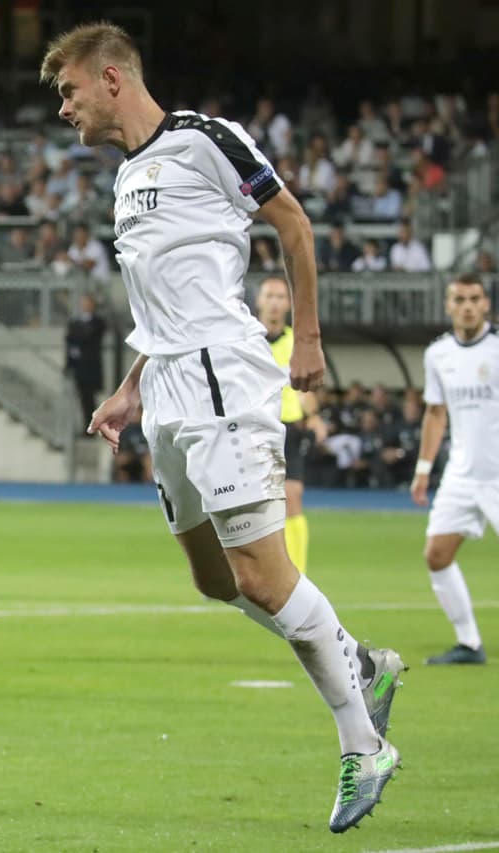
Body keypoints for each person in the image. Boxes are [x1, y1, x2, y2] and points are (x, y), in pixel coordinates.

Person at [42, 22, 402, 832]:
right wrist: (131, 385)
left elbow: (295, 227)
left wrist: (307, 336)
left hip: (223, 377)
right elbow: (164, 299)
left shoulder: (206, 139)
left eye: (67, 91)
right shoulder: (127, 176)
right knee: (214, 580)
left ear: (110, 79)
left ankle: (363, 741)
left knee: (266, 577)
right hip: (167, 384)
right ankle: (363, 662)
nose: (63, 109)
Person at [411, 272, 495, 665]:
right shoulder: (437, 355)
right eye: (459, 299)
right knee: (437, 554)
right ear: (448, 305)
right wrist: (424, 468)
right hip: (462, 475)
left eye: (473, 299)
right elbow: (435, 413)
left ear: (486, 304)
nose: (466, 306)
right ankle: (470, 644)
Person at [255, 277, 329, 572]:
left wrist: (313, 417)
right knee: (238, 501)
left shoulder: (297, 343)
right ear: (259, 301)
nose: (274, 302)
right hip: (253, 427)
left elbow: (305, 388)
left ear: (288, 304)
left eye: (280, 297)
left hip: (287, 427)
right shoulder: (247, 341)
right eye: (269, 295)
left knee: (293, 497)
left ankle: (298, 575)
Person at [64, 294, 106, 430]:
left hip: (91, 367)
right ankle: (86, 425)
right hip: (80, 368)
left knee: (91, 398)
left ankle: (92, 424)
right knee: (83, 398)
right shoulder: (75, 323)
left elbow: (89, 336)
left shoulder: (97, 322)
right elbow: (70, 342)